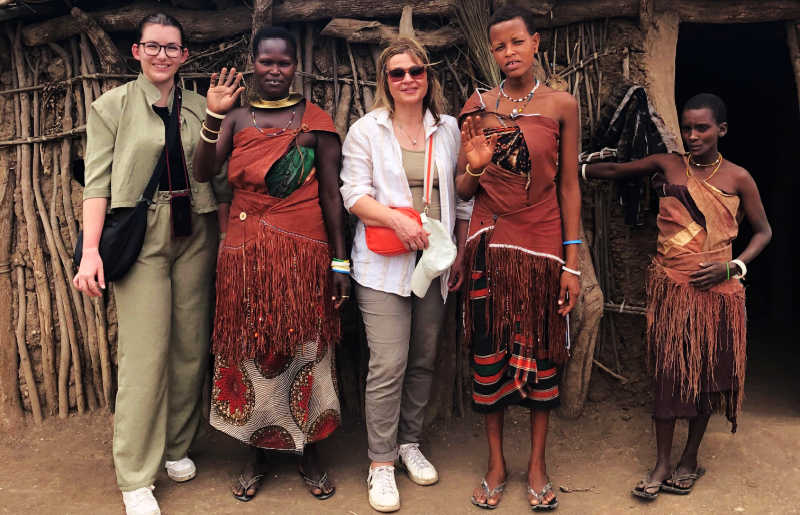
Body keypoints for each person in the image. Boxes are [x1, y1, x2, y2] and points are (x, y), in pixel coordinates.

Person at [73, 13, 230, 515]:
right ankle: (136, 474)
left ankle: (176, 446)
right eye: (152, 46)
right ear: (136, 52)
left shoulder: (204, 107)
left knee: (189, 344)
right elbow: (96, 183)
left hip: (197, 228)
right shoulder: (111, 108)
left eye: (172, 48)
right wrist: (91, 250)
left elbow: (219, 178)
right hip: (143, 234)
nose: (162, 55)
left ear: (185, 56)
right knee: (144, 355)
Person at [584, 93, 771, 500]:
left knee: (705, 376)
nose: (692, 135)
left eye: (702, 128)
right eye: (687, 128)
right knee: (669, 376)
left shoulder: (738, 178)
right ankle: (662, 462)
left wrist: (733, 266)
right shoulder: (668, 164)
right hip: (673, 291)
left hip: (718, 296)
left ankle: (690, 458)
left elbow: (763, 232)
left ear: (721, 129)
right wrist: (569, 168)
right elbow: (615, 169)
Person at [191, 26, 349, 503]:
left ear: (295, 66)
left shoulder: (316, 122)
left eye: (284, 63)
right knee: (250, 347)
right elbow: (203, 171)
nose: (275, 71)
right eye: (267, 62)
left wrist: (339, 263)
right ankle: (255, 451)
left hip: (304, 251)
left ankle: (310, 451)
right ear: (253, 64)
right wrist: (214, 116)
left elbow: (331, 196)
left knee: (306, 348)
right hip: (244, 252)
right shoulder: (235, 119)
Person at [455, 6, 581, 511]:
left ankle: (536, 464)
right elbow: (464, 188)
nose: (508, 53)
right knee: (489, 354)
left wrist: (572, 262)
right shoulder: (478, 105)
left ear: (536, 43)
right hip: (490, 243)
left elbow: (569, 187)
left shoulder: (562, 105)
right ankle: (495, 463)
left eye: (516, 42)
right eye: (499, 46)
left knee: (541, 355)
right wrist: (477, 167)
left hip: (544, 250)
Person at [340, 37, 473, 512]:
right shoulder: (367, 130)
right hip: (382, 265)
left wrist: (456, 249)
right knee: (388, 363)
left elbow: (461, 196)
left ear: (428, 76)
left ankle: (409, 443)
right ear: (385, 82)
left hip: (434, 261)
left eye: (416, 71)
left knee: (423, 357)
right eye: (397, 73)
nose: (408, 80)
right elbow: (352, 194)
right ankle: (380, 463)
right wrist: (396, 220)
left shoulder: (449, 128)